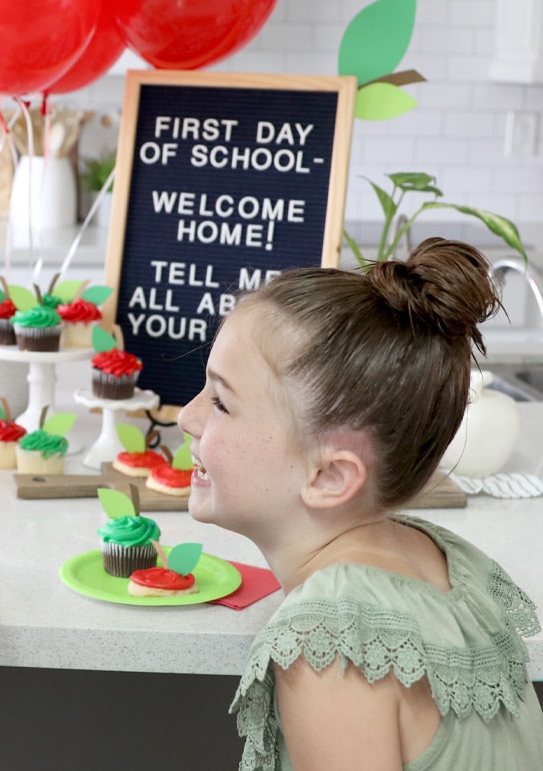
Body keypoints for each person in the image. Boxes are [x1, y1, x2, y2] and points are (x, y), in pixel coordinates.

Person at [177, 237, 543, 770]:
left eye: (221, 402)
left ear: (328, 476)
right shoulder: (441, 558)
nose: (188, 417)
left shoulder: (330, 643)